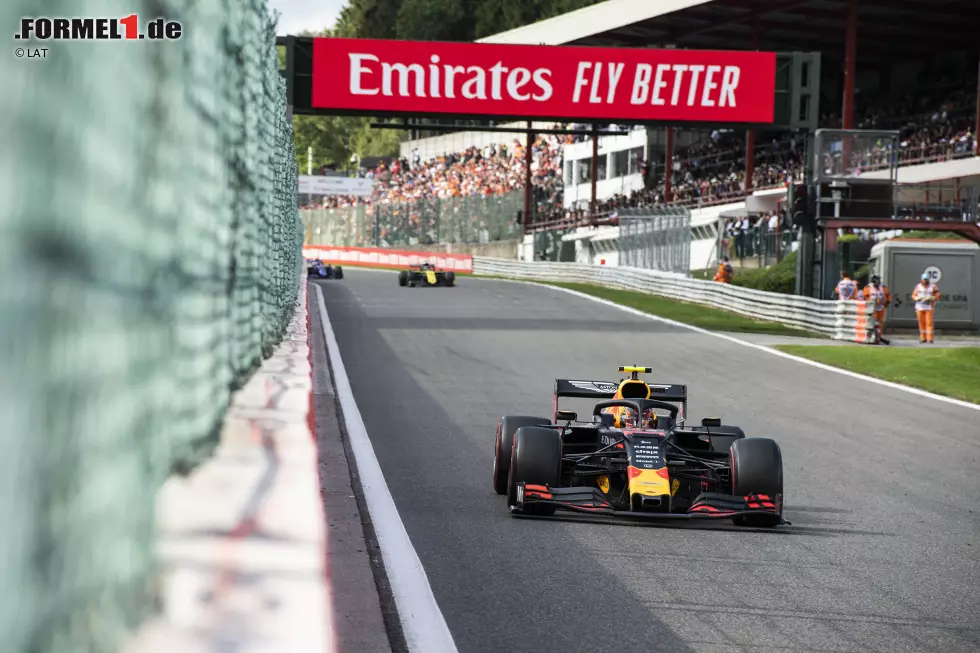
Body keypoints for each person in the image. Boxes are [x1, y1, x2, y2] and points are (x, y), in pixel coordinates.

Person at [862, 274, 892, 345]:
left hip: (881, 308)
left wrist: (888, 301)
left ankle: (878, 337)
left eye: (878, 280)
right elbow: (864, 297)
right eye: (876, 280)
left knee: (880, 323)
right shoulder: (868, 288)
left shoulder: (883, 287)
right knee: (872, 323)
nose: (877, 282)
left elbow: (888, 295)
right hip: (872, 309)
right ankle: (871, 337)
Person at [912, 272, 941, 343]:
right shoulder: (918, 286)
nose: (925, 281)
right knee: (921, 323)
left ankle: (930, 339)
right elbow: (913, 295)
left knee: (929, 323)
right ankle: (923, 338)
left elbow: (938, 295)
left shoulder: (933, 286)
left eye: (927, 280)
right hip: (919, 307)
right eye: (924, 280)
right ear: (921, 280)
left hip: (929, 307)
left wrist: (931, 297)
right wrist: (917, 298)